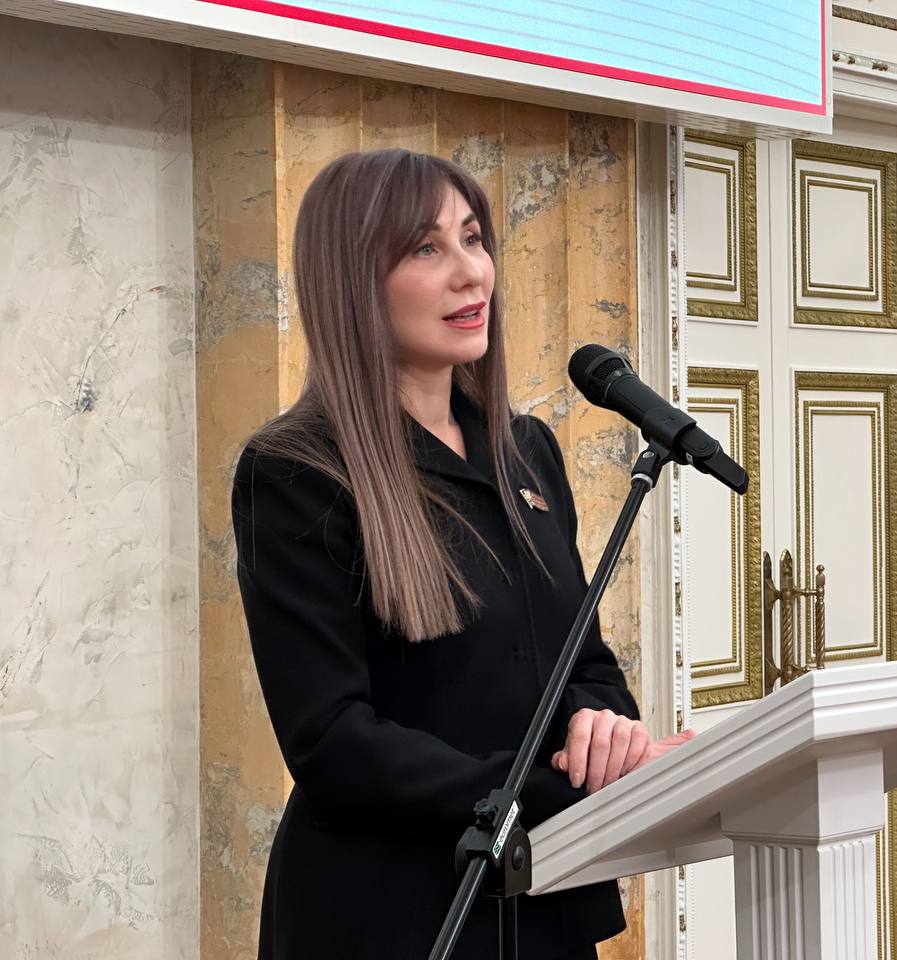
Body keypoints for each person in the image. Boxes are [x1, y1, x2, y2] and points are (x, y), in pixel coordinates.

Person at [231, 148, 696, 960]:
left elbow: (580, 658)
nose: (471, 272)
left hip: (540, 896)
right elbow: (332, 740)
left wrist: (602, 727)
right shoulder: (298, 472)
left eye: (473, 238)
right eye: (426, 247)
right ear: (353, 281)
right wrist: (545, 789)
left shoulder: (527, 449)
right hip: (393, 915)